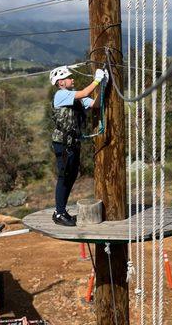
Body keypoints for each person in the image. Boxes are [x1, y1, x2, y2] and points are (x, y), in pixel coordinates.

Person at [49, 65, 107, 226]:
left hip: (73, 142)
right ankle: (59, 213)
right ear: (60, 82)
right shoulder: (61, 95)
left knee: (71, 176)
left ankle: (61, 210)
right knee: (64, 177)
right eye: (69, 77)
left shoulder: (76, 99)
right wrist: (97, 80)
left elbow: (96, 104)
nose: (72, 79)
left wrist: (103, 85)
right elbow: (84, 92)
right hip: (62, 143)